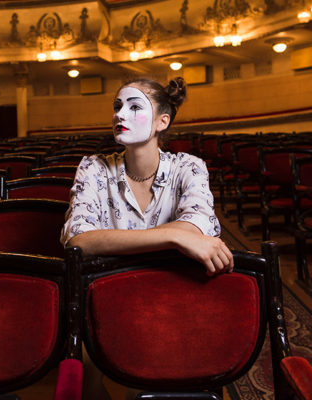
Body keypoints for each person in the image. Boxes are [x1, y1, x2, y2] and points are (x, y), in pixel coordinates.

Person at [60, 76, 233, 399]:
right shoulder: (93, 168)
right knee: (83, 370)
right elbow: (78, 240)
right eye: (116, 106)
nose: (119, 114)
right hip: (104, 300)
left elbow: (197, 227)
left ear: (161, 122)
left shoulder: (189, 167)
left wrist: (114, 240)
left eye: (134, 106)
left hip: (172, 298)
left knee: (143, 380)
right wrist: (174, 238)